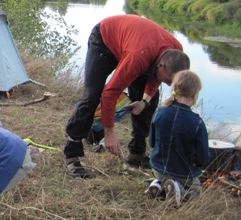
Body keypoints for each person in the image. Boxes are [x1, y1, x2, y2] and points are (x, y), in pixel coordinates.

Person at [63, 14, 190, 178]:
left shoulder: (175, 50)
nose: (167, 84)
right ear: (161, 65)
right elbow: (110, 94)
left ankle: (137, 153)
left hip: (137, 46)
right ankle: (72, 153)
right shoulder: (138, 56)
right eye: (168, 80)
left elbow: (156, 78)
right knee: (92, 96)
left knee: (151, 100)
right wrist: (109, 134)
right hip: (105, 39)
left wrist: (144, 101)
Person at [146, 70, 210, 206]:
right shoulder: (197, 123)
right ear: (195, 94)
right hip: (183, 174)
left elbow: (151, 142)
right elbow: (202, 158)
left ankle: (158, 184)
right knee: (196, 193)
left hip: (157, 168)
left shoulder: (159, 112)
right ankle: (178, 189)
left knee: (163, 177)